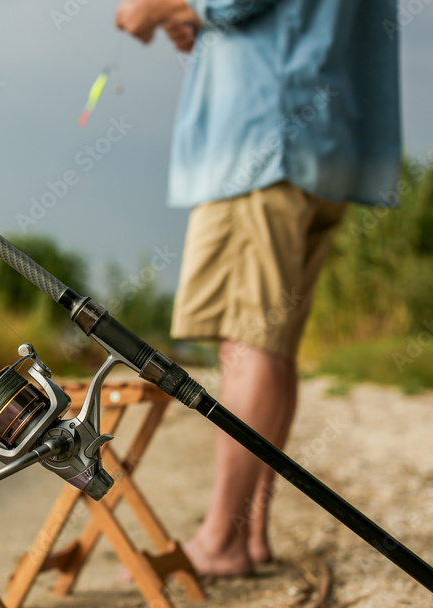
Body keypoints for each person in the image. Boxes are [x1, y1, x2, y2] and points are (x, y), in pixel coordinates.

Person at [115, 0, 401, 576]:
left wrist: (162, 6)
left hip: (262, 139)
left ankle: (221, 538)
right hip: (326, 142)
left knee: (248, 345)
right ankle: (249, 532)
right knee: (274, 348)